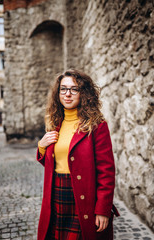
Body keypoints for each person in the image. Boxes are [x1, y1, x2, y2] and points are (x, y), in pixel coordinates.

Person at [36, 69, 119, 240]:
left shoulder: (97, 126)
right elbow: (57, 163)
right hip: (56, 197)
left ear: (84, 93)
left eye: (74, 89)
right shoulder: (55, 123)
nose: (67, 94)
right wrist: (41, 147)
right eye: (63, 89)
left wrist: (103, 209)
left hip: (83, 198)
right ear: (58, 93)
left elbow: (107, 172)